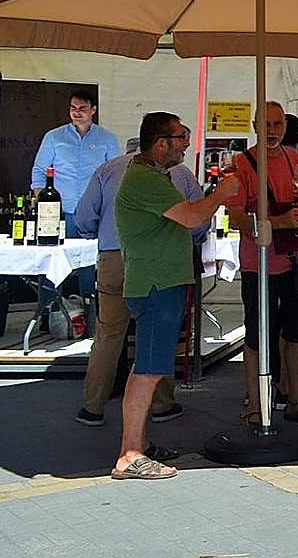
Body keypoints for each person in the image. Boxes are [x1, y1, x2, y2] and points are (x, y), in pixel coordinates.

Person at [111, 111, 238, 479]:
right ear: (161, 142)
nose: (186, 143)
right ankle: (130, 453)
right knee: (148, 371)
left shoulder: (152, 177)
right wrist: (222, 193)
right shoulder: (144, 180)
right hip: (155, 286)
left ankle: (140, 444)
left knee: (149, 369)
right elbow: (193, 216)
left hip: (159, 283)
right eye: (181, 136)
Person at [73, 146, 206, 428]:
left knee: (108, 334)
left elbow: (83, 217)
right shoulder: (179, 173)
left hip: (112, 257)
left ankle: (92, 406)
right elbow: (198, 221)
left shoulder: (107, 169)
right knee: (160, 333)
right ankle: (161, 403)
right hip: (154, 262)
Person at [225, 101, 298, 427]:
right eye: (265, 124)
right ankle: (256, 406)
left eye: (277, 124)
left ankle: (294, 399)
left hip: (295, 261)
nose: (271, 131)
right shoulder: (242, 164)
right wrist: (281, 221)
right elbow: (237, 217)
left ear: (285, 126)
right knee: (256, 337)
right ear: (254, 125)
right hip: (259, 265)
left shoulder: (295, 159)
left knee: (296, 335)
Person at [32, 90, 121, 234]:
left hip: (95, 212)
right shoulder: (54, 137)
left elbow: (114, 174)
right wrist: (42, 198)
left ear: (93, 110)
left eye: (82, 108)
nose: (77, 112)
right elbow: (39, 170)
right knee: (59, 253)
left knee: (93, 254)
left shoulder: (107, 138)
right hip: (60, 211)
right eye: (73, 108)